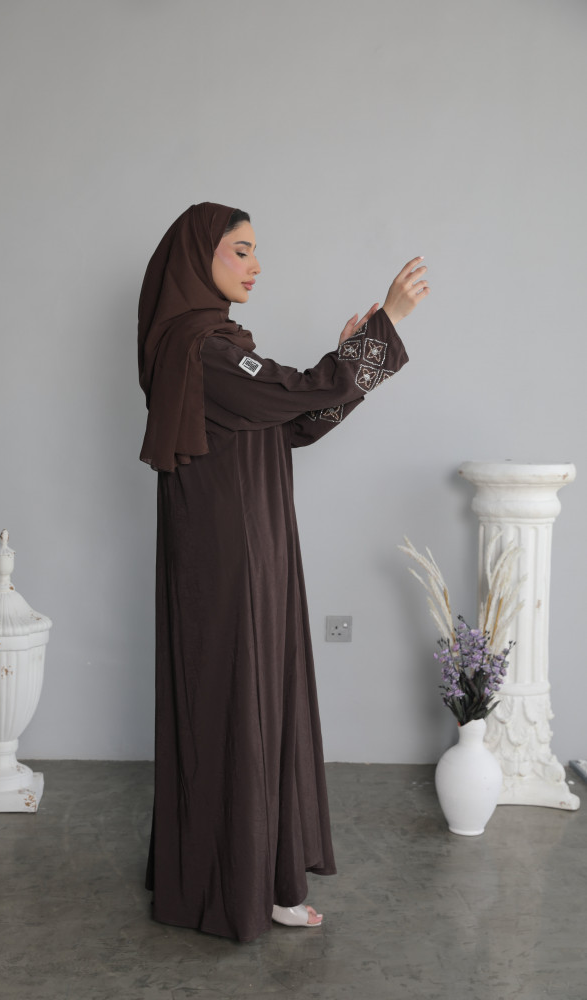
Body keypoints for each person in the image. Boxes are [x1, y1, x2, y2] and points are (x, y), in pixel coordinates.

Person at [138, 202, 429, 942]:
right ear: (198, 257)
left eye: (254, 251)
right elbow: (295, 392)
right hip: (230, 556)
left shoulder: (216, 345)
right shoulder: (201, 348)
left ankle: (255, 875)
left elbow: (294, 422)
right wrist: (383, 327)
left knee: (255, 698)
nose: (255, 265)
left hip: (252, 544)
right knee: (237, 700)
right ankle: (239, 885)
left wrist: (352, 367)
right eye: (240, 250)